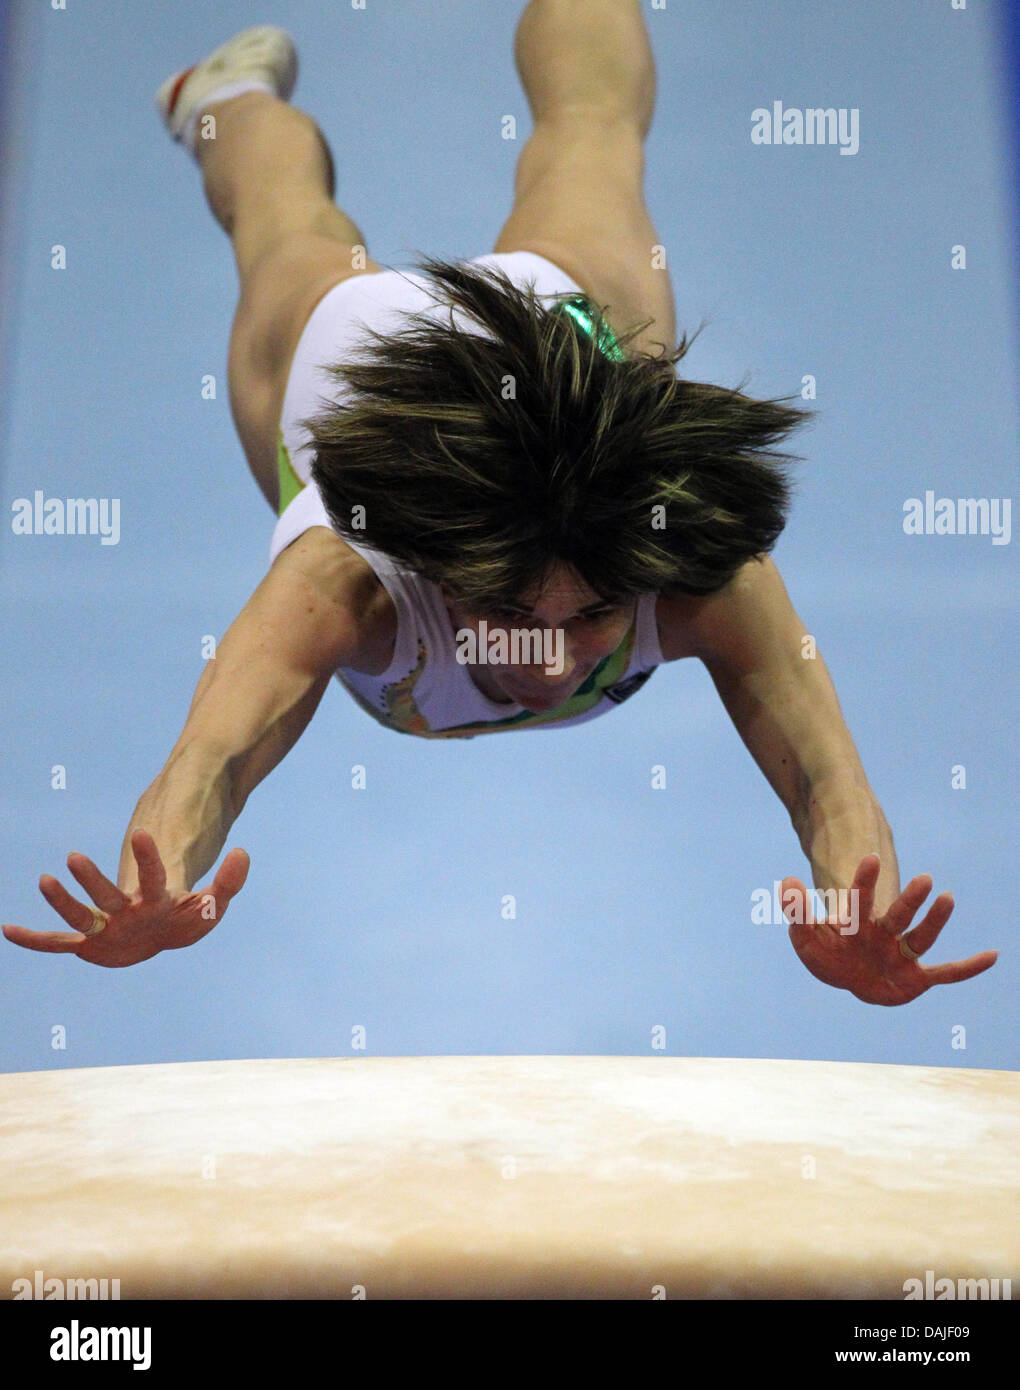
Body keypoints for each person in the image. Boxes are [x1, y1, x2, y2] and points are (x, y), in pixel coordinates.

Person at [3, 6, 997, 1005]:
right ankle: (226, 97)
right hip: (348, 357)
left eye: (595, 613)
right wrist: (162, 875)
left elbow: (831, 778)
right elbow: (210, 757)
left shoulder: (693, 565)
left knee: (593, 129)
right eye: (513, 613)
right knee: (282, 219)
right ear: (437, 570)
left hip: (559, 312)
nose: (554, 659)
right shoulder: (346, 581)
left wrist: (853, 902)